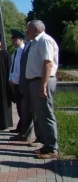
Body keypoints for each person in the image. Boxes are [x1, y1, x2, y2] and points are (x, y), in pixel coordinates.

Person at [25, 20, 59, 159]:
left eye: (28, 29)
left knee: (46, 114)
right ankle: (46, 145)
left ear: (37, 29)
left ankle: (52, 148)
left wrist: (43, 85)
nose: (26, 31)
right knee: (40, 115)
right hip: (36, 81)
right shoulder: (35, 42)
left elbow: (48, 63)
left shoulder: (45, 40)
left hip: (42, 81)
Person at [12, 22, 43, 146]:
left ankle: (37, 137)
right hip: (22, 84)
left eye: (28, 29)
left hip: (30, 83)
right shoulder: (21, 50)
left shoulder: (32, 45)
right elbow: (16, 68)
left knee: (32, 112)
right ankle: (24, 133)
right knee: (23, 110)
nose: (26, 30)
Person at [8, 29, 25, 136]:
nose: (13, 42)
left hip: (20, 84)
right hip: (15, 84)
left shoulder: (24, 51)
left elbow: (21, 69)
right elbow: (13, 68)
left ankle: (22, 129)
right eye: (13, 40)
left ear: (21, 39)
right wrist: (10, 79)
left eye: (15, 40)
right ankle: (20, 127)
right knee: (19, 107)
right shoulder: (16, 52)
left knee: (23, 108)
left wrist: (15, 80)